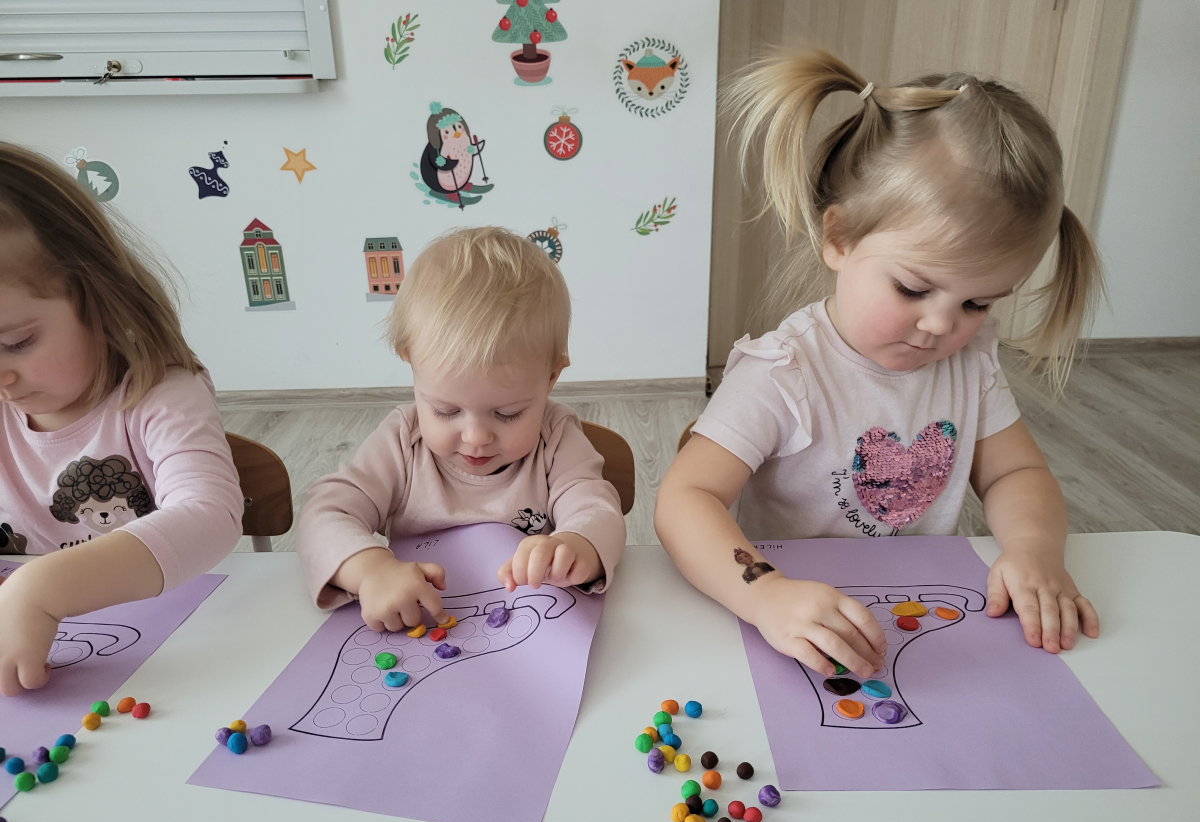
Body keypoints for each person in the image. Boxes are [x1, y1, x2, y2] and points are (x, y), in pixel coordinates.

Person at [655, 48, 1102, 679]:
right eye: (914, 289)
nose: (942, 325)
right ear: (838, 238)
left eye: (977, 302)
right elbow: (684, 499)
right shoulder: (783, 372)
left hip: (918, 619)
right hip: (793, 623)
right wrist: (764, 594)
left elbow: (1016, 473)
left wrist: (1034, 549)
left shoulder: (969, 363)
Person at [0, 142, 243, 696]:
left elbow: (210, 515)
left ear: (97, 298)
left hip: (173, 648)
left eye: (17, 343)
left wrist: (40, 589)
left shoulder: (161, 394)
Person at [297, 226, 625, 630]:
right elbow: (325, 513)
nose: (475, 437)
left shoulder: (555, 438)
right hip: (420, 624)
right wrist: (369, 569)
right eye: (446, 410)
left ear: (551, 377)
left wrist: (575, 545)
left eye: (507, 413)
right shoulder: (403, 441)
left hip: (530, 624)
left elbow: (597, 509)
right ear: (411, 363)